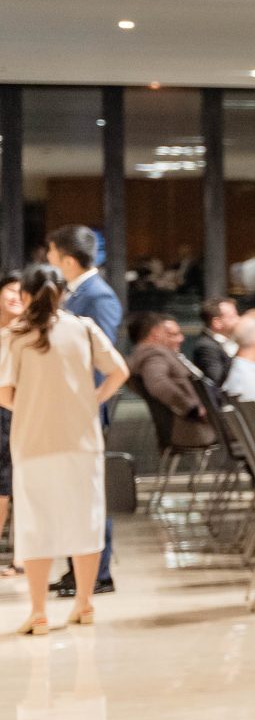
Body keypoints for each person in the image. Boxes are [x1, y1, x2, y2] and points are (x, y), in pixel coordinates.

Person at [1, 264, 127, 634]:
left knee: (35, 523)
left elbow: (4, 393)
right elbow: (119, 371)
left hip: (33, 442)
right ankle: (84, 604)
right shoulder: (83, 328)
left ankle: (39, 612)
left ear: (25, 295)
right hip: (82, 441)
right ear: (62, 294)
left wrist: (30, 407)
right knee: (86, 520)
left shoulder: (14, 335)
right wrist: (93, 400)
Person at [45, 225, 121, 598]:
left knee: (87, 494)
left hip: (83, 413)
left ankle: (98, 574)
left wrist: (88, 402)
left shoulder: (98, 296)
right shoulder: (76, 293)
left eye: (51, 253)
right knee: (72, 494)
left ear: (68, 260)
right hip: (68, 410)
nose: (48, 259)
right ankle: (77, 569)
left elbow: (99, 360)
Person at [127, 312, 218, 455]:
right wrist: (192, 409)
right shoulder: (153, 354)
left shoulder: (147, 354)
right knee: (250, 428)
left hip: (198, 425)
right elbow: (158, 383)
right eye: (166, 333)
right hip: (195, 428)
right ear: (155, 332)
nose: (181, 339)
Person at [0, 279, 21, 579]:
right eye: (11, 290)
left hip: (19, 409)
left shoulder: (30, 332)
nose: (17, 297)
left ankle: (23, 558)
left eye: (22, 292)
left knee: (12, 481)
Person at [190, 295, 238, 387]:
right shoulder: (206, 346)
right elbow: (218, 381)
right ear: (217, 323)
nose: (238, 320)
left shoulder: (230, 340)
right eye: (233, 316)